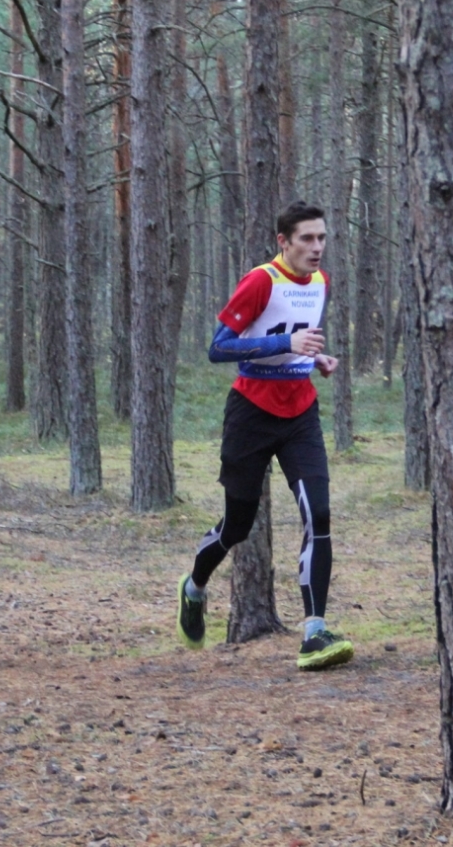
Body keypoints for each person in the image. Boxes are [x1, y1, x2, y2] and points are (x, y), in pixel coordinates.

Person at [176, 202, 354, 670]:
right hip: (251, 413)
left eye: (322, 238)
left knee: (319, 513)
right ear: (284, 241)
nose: (317, 248)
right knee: (237, 525)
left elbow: (299, 335)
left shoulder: (321, 283)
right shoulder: (261, 281)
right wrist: (285, 346)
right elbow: (219, 348)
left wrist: (316, 358)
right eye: (307, 239)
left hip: (300, 412)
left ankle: (315, 632)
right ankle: (194, 587)